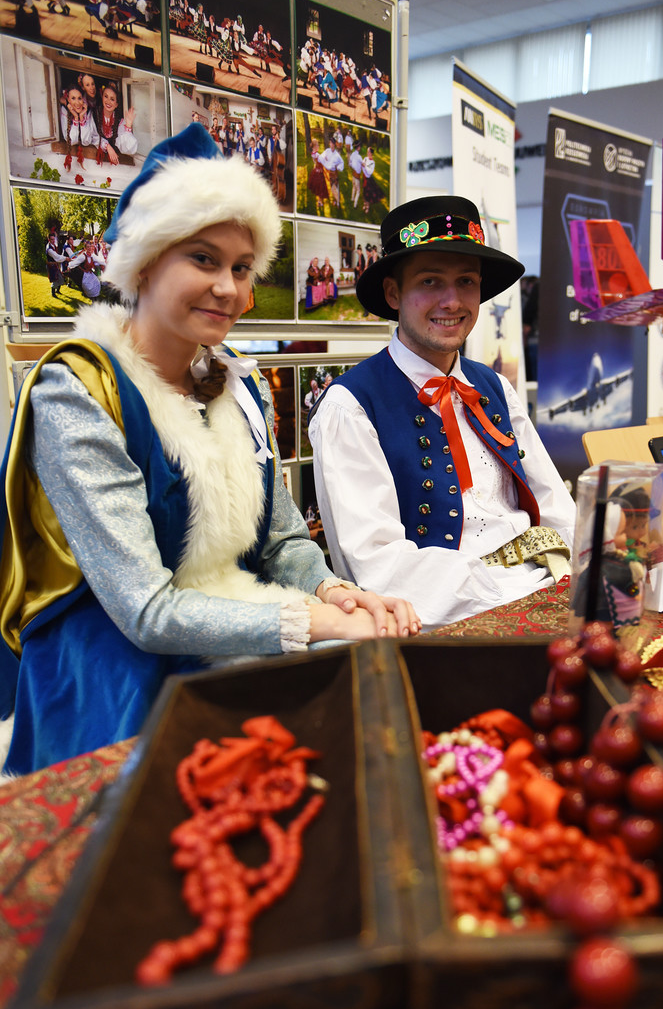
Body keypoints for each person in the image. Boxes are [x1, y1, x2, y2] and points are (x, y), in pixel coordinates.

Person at [0, 125, 419, 778]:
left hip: (240, 618)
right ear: (144, 261)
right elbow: (146, 611)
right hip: (115, 667)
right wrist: (315, 622)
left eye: (241, 268)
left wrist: (335, 592)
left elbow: (281, 541)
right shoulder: (78, 391)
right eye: (203, 258)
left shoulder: (237, 382)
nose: (228, 288)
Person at [308, 195, 575, 630]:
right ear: (393, 293)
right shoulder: (350, 406)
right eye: (430, 281)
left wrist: (577, 574)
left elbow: (554, 505)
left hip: (547, 584)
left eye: (466, 281)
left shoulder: (494, 387)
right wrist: (504, 598)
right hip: (451, 616)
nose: (452, 301)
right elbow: (375, 565)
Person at [95, 81, 137, 166]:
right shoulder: (94, 115)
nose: (108, 101)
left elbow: (127, 149)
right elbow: (93, 137)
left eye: (112, 99)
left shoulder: (119, 122)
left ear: (116, 104)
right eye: (106, 96)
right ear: (102, 98)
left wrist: (128, 125)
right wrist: (107, 146)